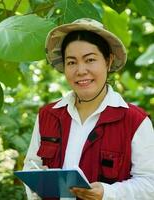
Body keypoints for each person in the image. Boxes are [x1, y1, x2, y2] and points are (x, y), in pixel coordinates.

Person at [23, 18, 154, 200]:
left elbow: (150, 184)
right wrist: (39, 181)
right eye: (71, 62)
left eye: (90, 59)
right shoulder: (48, 115)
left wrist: (107, 193)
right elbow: (31, 167)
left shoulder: (135, 121)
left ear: (108, 61)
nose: (81, 70)